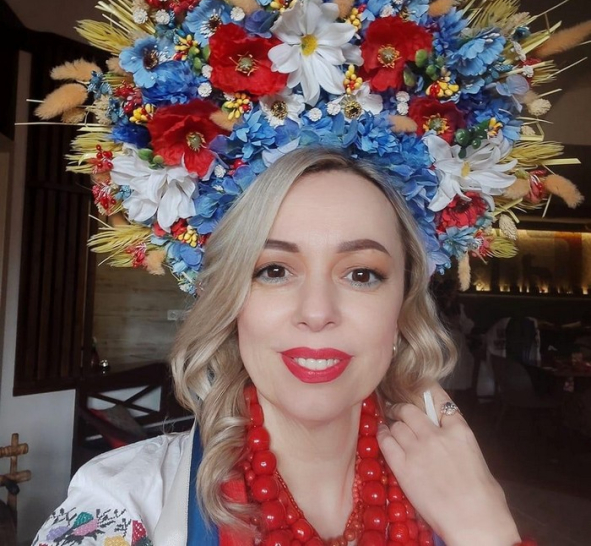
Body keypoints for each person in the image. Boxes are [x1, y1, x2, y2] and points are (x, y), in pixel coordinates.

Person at [33, 149, 534, 546]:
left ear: (402, 309)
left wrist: (484, 531)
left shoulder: (455, 488)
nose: (316, 312)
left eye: (362, 274)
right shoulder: (126, 499)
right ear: (232, 304)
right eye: (273, 270)